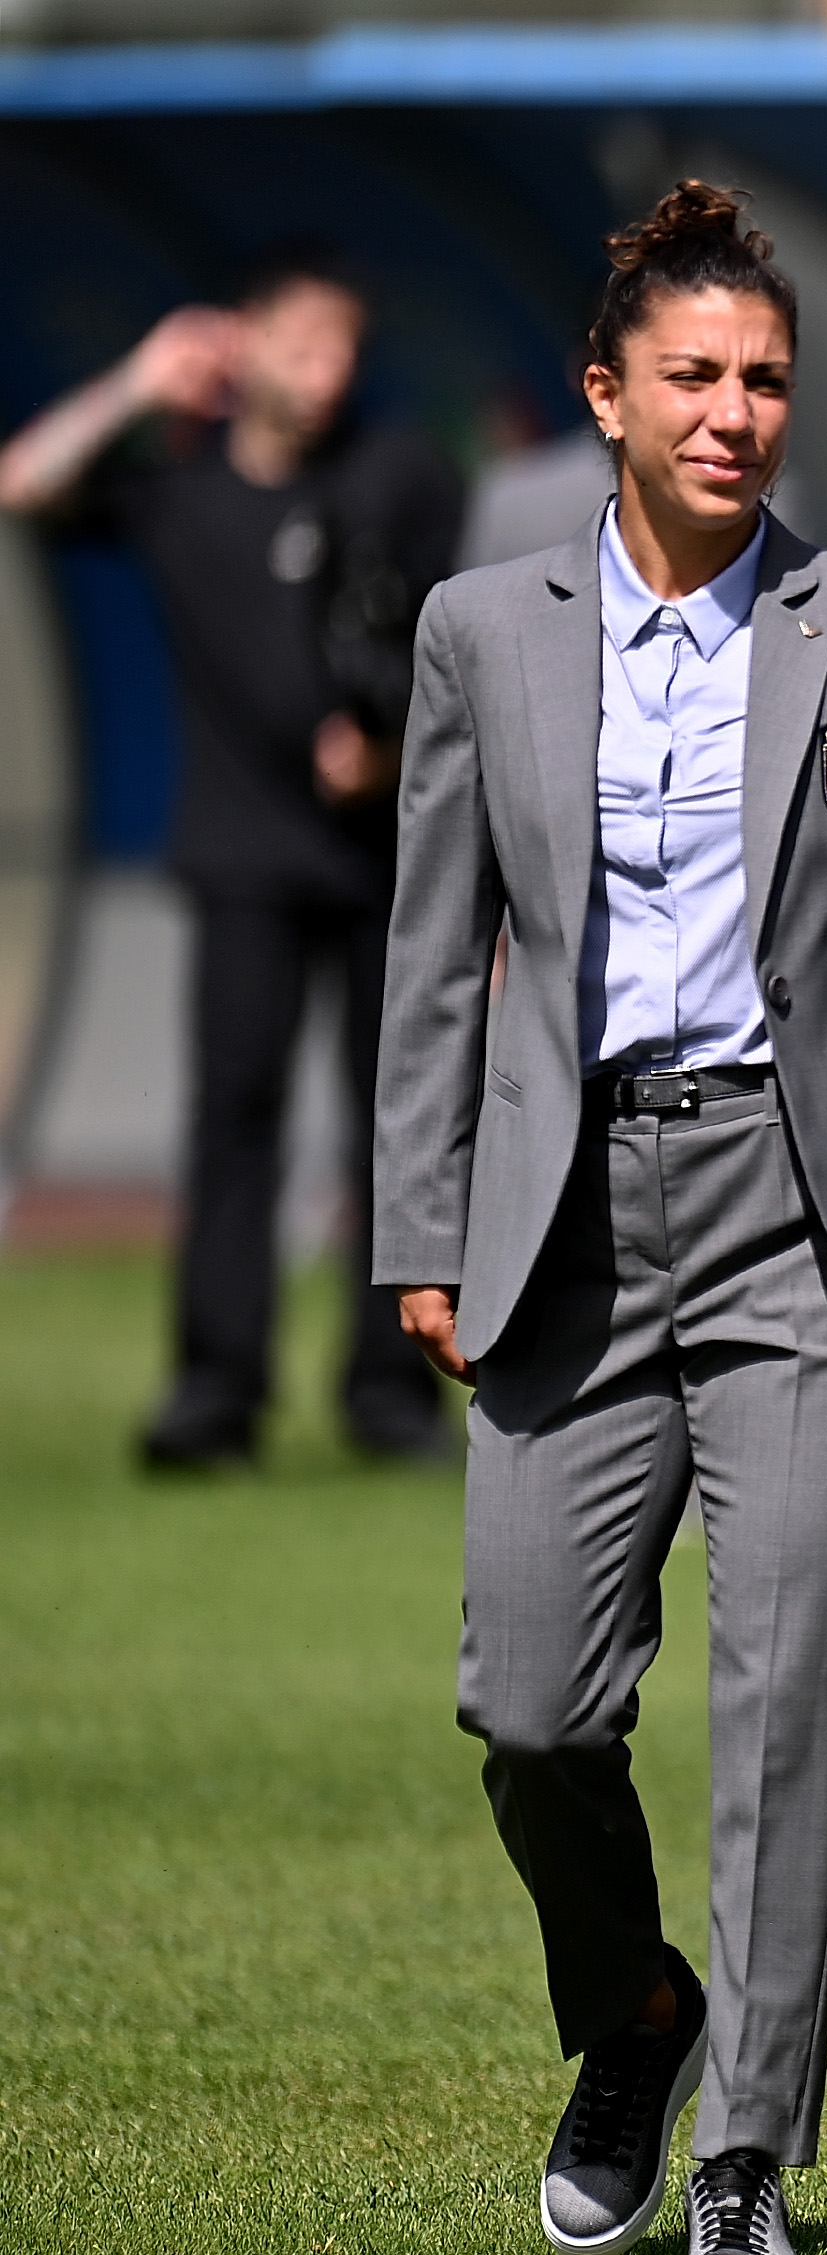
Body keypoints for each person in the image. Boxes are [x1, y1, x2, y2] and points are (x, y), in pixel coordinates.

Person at [373, 184, 827, 2255]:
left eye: (764, 379)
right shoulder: (482, 629)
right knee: (534, 1706)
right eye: (694, 377)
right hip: (563, 1223)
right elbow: (430, 956)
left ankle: (747, 2149)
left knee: (783, 1692)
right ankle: (636, 2012)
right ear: (604, 396)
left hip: (801, 1218)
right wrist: (421, 1226)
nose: (736, 412)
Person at [0, 245, 462, 1466]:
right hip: (241, 856)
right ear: (244, 342)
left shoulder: (395, 472)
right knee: (233, 1122)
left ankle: (390, 1391)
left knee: (400, 1125)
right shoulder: (182, 488)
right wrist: (144, 381)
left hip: (385, 859)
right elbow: (25, 483)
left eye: (346, 346)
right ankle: (215, 1391)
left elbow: (462, 641)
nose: (330, 371)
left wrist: (392, 742)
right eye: (306, 341)